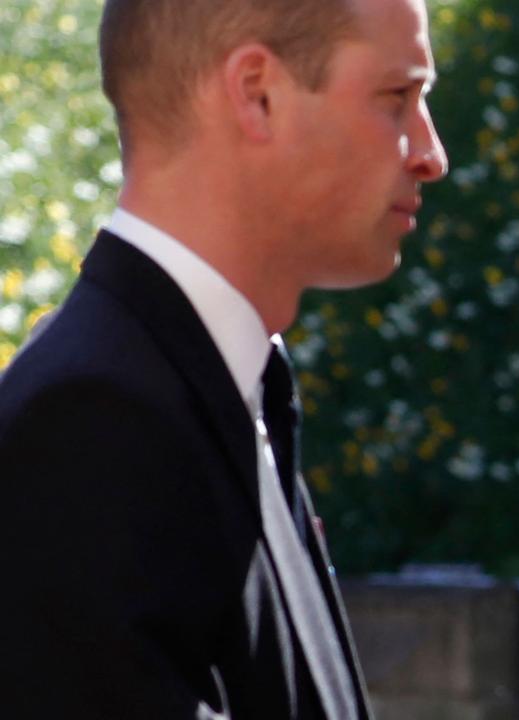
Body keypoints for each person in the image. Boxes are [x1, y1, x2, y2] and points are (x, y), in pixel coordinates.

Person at [0, 0, 447, 716]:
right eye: (396, 98)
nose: (431, 154)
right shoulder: (90, 427)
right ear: (256, 94)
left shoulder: (221, 386)